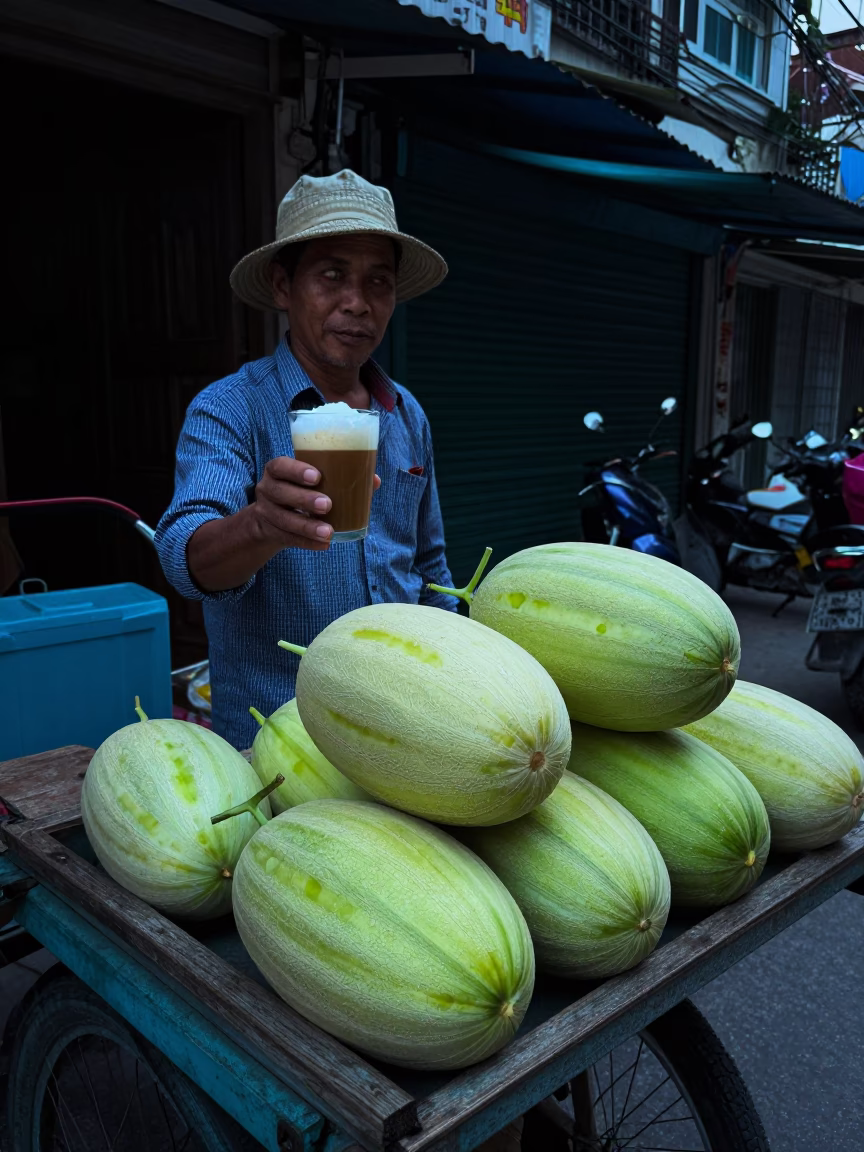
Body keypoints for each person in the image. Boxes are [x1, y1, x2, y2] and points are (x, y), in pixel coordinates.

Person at [156, 169, 458, 751]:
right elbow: (182, 561)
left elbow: (430, 567)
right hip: (279, 740)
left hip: (401, 728)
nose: (357, 303)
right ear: (282, 286)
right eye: (332, 275)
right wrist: (261, 525)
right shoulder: (231, 408)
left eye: (378, 281)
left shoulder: (407, 414)